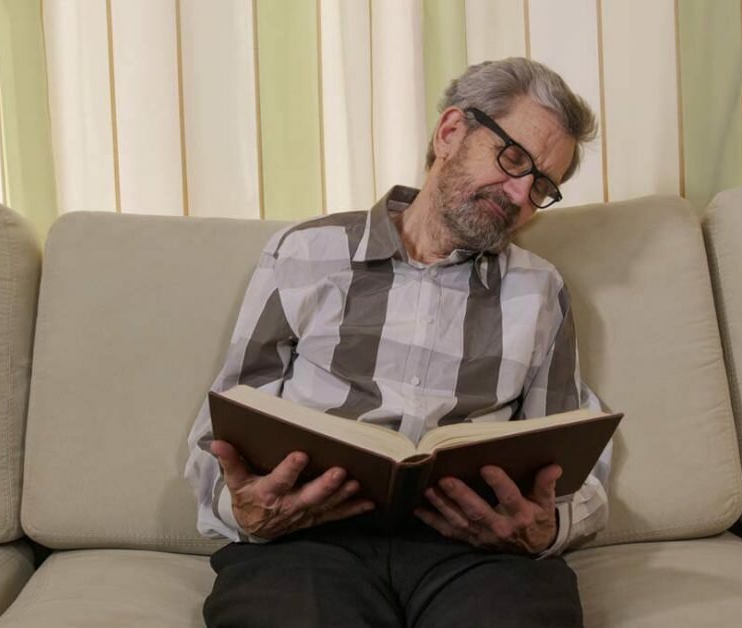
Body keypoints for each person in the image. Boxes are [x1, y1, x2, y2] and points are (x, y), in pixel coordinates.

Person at [185, 57, 612, 628]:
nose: (519, 194)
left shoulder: (539, 289)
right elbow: (220, 432)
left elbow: (571, 459)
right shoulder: (306, 253)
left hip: (475, 551)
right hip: (309, 539)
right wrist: (243, 509)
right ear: (450, 132)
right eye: (513, 159)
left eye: (540, 186)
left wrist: (547, 527)